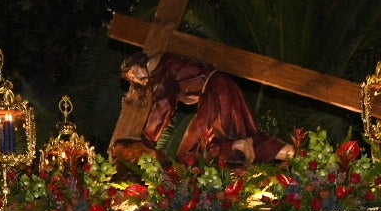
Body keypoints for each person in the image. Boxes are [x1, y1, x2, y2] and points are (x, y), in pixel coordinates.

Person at [113, 52, 295, 168]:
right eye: (132, 78)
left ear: (141, 64)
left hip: (215, 90)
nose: (136, 79)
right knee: (243, 136)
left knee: (191, 149)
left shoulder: (159, 69)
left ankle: (236, 147)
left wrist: (148, 138)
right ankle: (293, 153)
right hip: (224, 87)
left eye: (135, 72)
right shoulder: (166, 62)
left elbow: (164, 105)